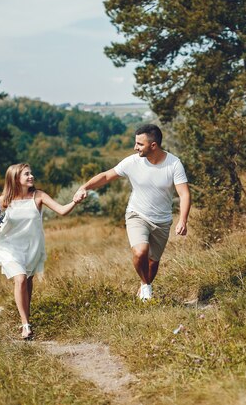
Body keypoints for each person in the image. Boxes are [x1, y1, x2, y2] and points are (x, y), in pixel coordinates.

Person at [74, 124, 190, 301]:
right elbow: (106, 176)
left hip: (162, 220)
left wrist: (182, 220)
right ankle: (146, 287)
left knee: (153, 262)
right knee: (140, 252)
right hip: (137, 214)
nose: (135, 147)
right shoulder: (132, 161)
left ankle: (145, 285)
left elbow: (184, 193)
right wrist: (85, 187)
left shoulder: (173, 164)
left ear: (153, 146)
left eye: (139, 144)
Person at [0, 163, 80, 339]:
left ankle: (26, 318)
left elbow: (61, 211)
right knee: (21, 279)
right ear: (16, 178)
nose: (31, 176)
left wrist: (75, 201)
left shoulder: (38, 196)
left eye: (31, 173)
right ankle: (26, 326)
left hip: (31, 247)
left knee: (28, 282)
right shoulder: (4, 200)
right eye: (26, 174)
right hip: (10, 247)